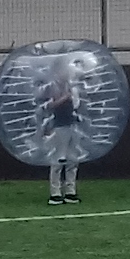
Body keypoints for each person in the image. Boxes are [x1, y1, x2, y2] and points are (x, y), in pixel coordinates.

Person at [38, 57, 86, 205]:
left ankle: (70, 191)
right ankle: (55, 193)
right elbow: (49, 106)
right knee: (58, 160)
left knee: (73, 160)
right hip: (59, 125)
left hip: (71, 124)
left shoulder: (71, 86)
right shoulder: (52, 87)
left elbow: (76, 105)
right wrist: (65, 98)